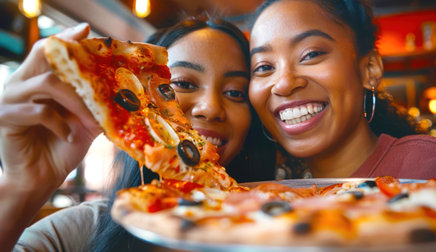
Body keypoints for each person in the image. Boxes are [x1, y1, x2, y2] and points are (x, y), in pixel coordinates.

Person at [0, 18, 275, 251]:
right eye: (182, 83)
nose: (212, 108)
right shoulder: (77, 232)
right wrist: (23, 186)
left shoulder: (289, 221)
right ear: (139, 101)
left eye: (235, 92)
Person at [248, 0, 436, 180]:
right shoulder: (269, 193)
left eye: (310, 54)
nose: (284, 83)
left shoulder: (434, 169)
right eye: (264, 67)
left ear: (369, 68)